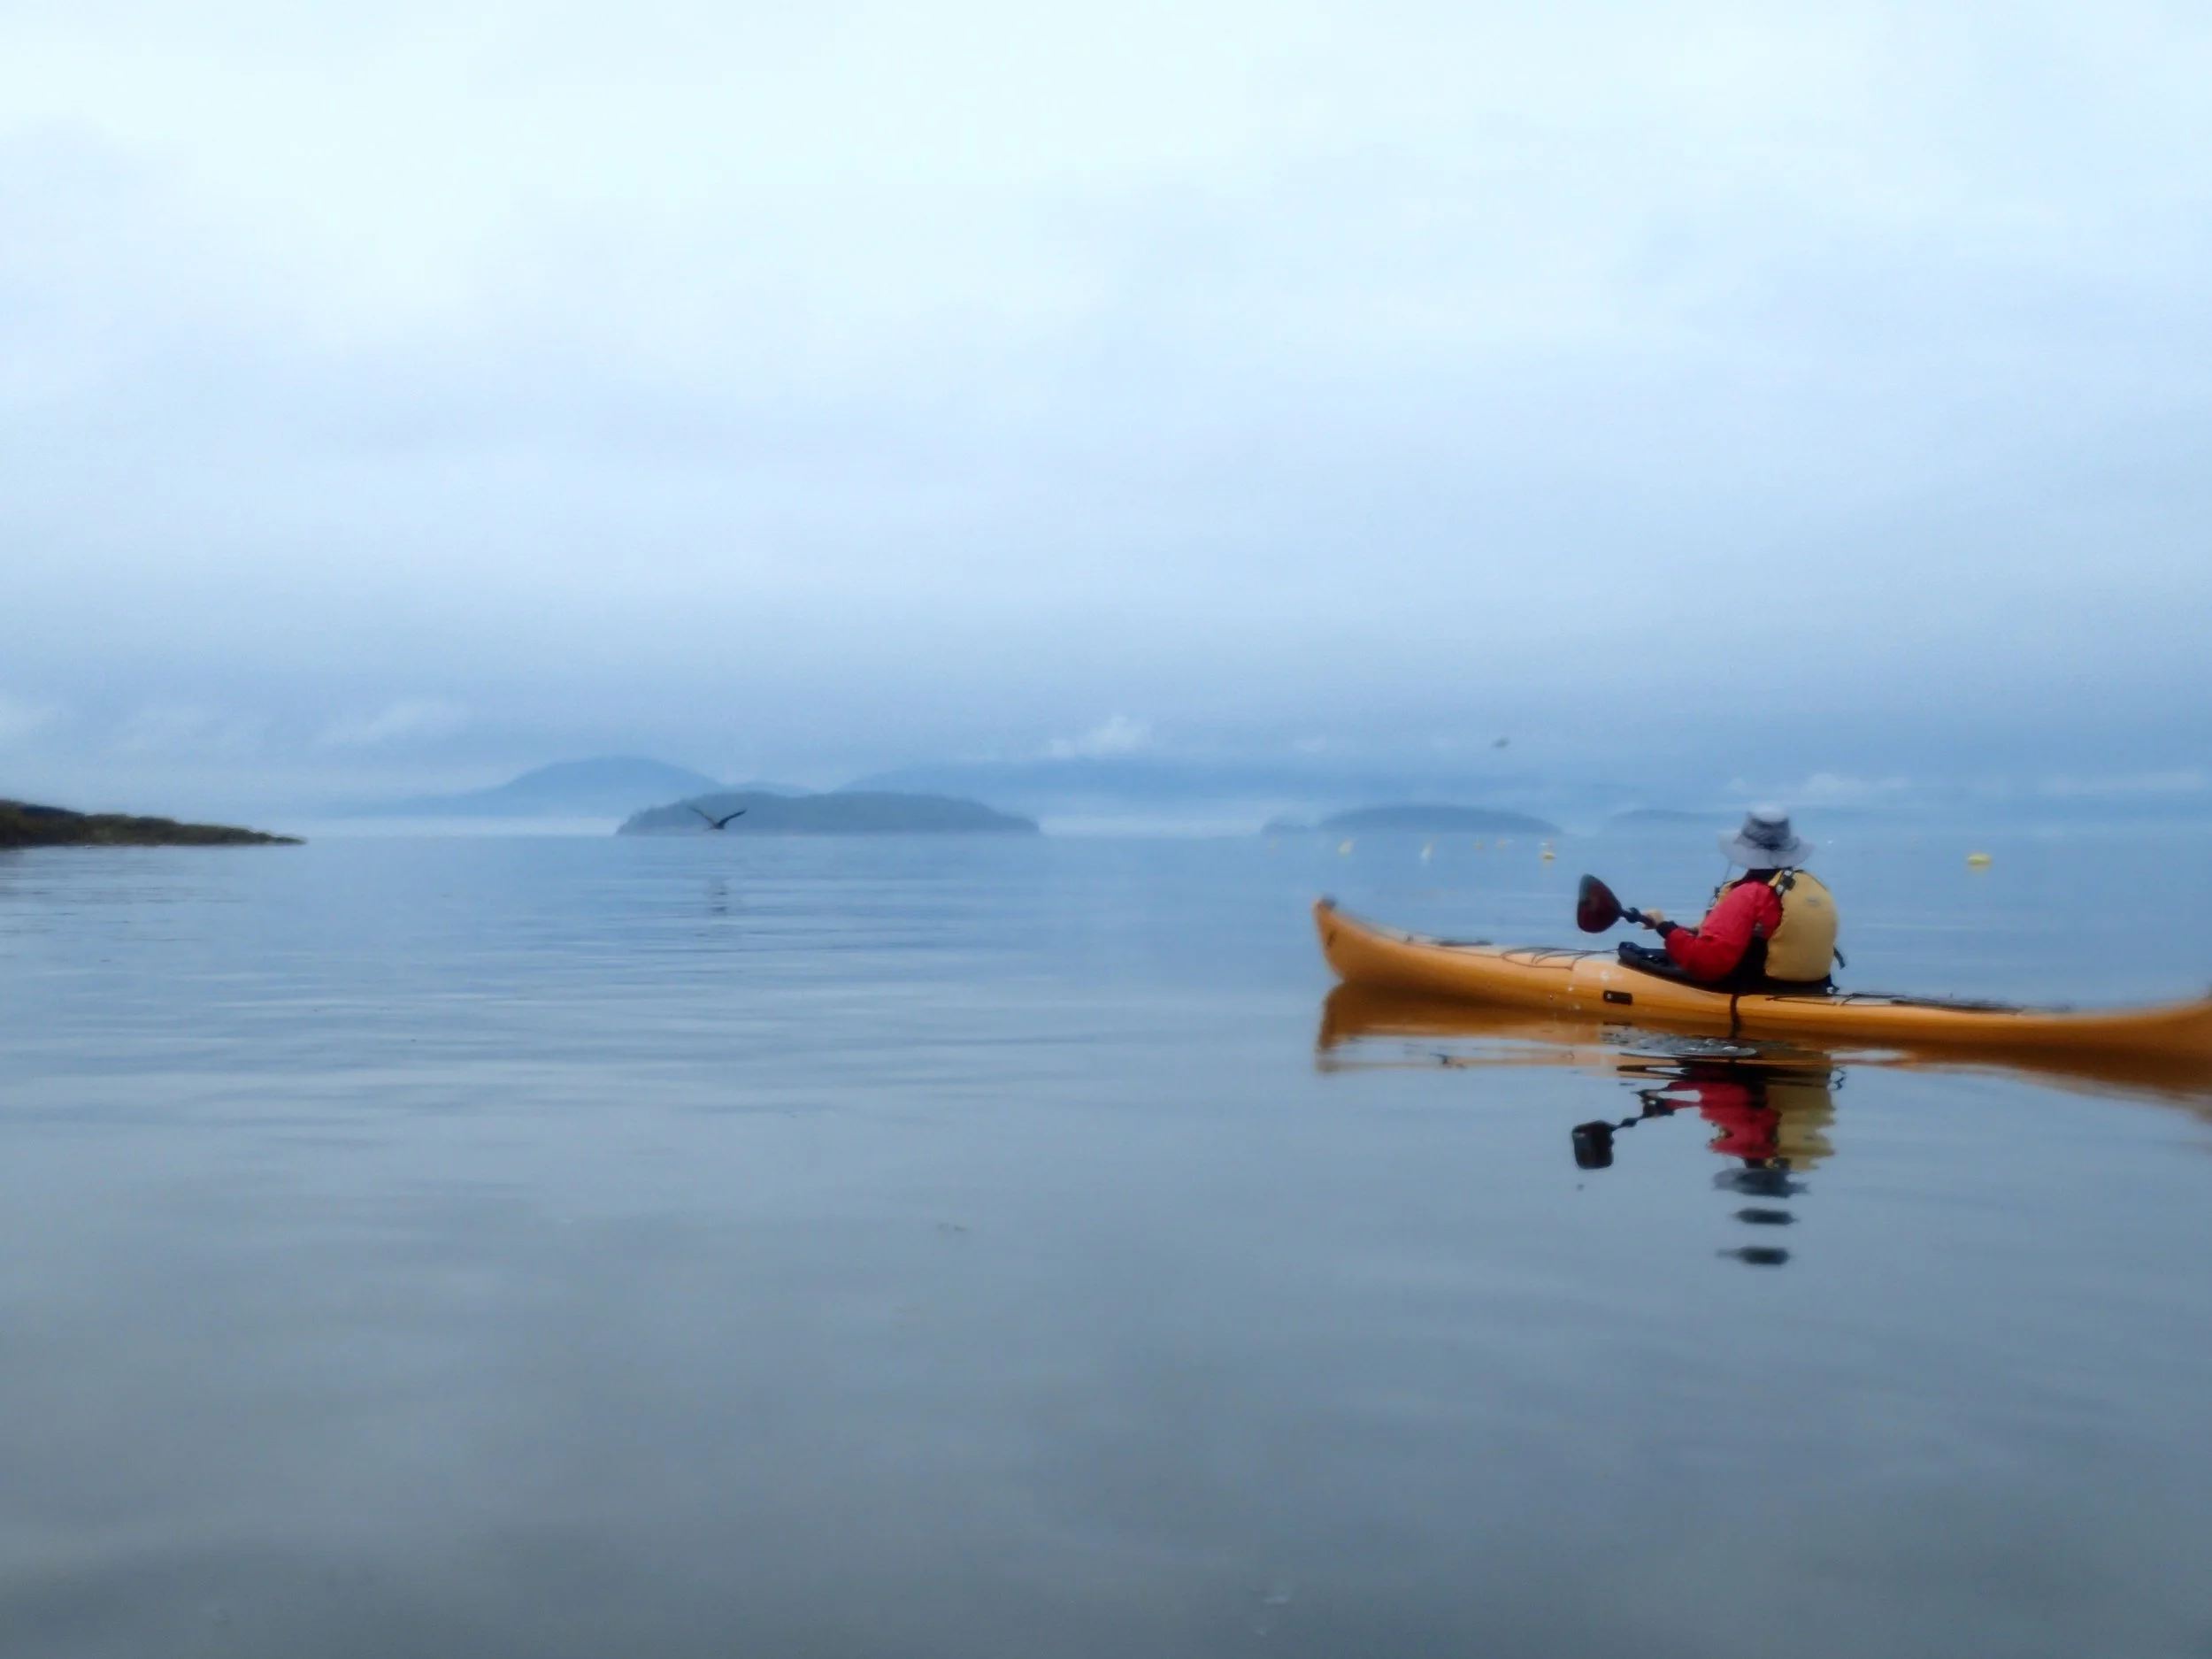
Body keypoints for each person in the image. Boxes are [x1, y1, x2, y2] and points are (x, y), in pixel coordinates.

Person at [1617, 808, 1841, 991]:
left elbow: (1707, 962)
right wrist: (1676, 928)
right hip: (1813, 989)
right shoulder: (1806, 885)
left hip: (1758, 991)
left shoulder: (1750, 894)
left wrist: (1664, 928)